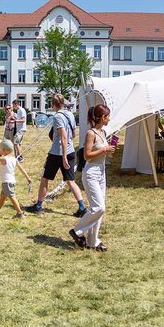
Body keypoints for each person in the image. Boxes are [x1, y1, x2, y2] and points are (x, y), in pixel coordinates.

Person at [25, 94, 87, 216]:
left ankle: (38, 206)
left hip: (57, 154)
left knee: (45, 179)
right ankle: (82, 208)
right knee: (71, 181)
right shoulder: (70, 114)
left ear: (53, 105)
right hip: (70, 151)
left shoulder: (58, 116)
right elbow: (73, 134)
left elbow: (63, 136)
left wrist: (63, 156)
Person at [69, 104, 116, 252]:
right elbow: (87, 156)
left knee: (100, 209)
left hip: (101, 172)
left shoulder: (103, 132)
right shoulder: (91, 133)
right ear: (102, 117)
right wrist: (104, 149)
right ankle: (77, 232)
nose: (108, 118)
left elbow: (101, 152)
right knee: (98, 207)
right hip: (91, 174)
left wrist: (108, 150)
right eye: (107, 116)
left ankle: (92, 241)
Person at [0, 139, 32, 218]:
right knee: (3, 196)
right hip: (11, 181)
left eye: (0, 148)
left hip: (7, 182)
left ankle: (19, 213)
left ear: (4, 150)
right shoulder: (14, 159)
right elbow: (21, 169)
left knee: (12, 197)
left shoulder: (4, 159)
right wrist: (28, 178)